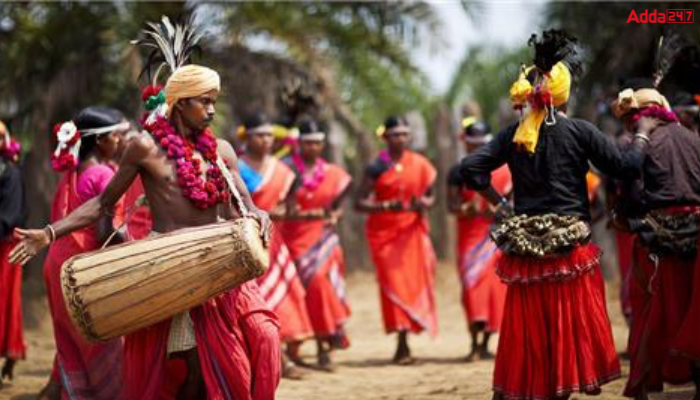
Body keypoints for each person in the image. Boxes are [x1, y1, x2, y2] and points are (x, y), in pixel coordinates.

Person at [10, 52, 279, 400]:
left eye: (214, 102)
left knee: (264, 336)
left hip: (221, 265)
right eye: (204, 102)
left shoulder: (222, 151)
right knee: (185, 366)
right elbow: (102, 204)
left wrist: (259, 214)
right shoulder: (144, 147)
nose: (212, 110)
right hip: (170, 269)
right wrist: (47, 234)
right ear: (180, 103)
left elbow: (244, 202)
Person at [457, 30, 650, 400]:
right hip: (570, 248)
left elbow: (470, 170)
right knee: (565, 326)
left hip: (526, 250)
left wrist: (499, 203)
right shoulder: (579, 132)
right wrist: (642, 134)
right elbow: (626, 168)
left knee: (528, 329)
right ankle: (559, 388)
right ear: (564, 94)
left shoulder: (513, 135)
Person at [611, 84, 700, 400]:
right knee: (694, 309)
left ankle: (645, 387)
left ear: (638, 116)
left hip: (657, 240)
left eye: (627, 118)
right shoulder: (692, 136)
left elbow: (631, 194)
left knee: (649, 312)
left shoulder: (636, 142)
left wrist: (621, 216)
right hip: (697, 236)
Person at [35, 107, 130, 400]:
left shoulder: (72, 173)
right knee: (103, 342)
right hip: (84, 272)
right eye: (117, 136)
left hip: (58, 267)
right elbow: (104, 232)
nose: (121, 141)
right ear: (101, 141)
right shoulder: (104, 174)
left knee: (71, 342)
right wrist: (135, 246)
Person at [355, 115, 437, 365]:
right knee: (393, 286)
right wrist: (382, 206)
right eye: (394, 134)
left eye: (404, 134)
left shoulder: (421, 164)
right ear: (385, 137)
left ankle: (406, 340)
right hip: (385, 236)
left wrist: (423, 203)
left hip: (411, 233)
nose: (400, 139)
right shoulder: (376, 167)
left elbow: (431, 197)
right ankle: (401, 341)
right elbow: (359, 202)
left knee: (411, 284)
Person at [237, 113, 313, 380]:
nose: (266, 140)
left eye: (270, 135)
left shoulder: (283, 171)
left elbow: (290, 207)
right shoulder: (234, 166)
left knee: (284, 298)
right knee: (256, 301)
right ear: (247, 137)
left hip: (274, 243)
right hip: (243, 245)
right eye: (260, 134)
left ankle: (283, 357)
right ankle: (273, 360)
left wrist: (278, 211)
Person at [279, 119, 352, 371]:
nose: (313, 147)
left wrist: (335, 215)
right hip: (289, 240)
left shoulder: (333, 173)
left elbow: (339, 205)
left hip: (322, 240)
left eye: (317, 143)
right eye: (308, 143)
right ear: (299, 144)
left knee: (321, 287)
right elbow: (278, 201)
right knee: (293, 292)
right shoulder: (285, 170)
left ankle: (324, 348)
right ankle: (292, 349)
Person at [447, 118, 509, 362]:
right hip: (470, 236)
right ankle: (473, 342)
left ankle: (485, 344)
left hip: (496, 236)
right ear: (465, 144)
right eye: (472, 143)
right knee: (471, 287)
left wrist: (497, 211)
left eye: (482, 143)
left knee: (495, 290)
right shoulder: (458, 171)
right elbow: (451, 205)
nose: (477, 147)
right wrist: (467, 209)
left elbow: (511, 202)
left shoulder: (505, 170)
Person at [0, 121, 25, 389]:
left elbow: (7, 216)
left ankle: (9, 355)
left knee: (4, 302)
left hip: (5, 247)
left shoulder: (11, 174)